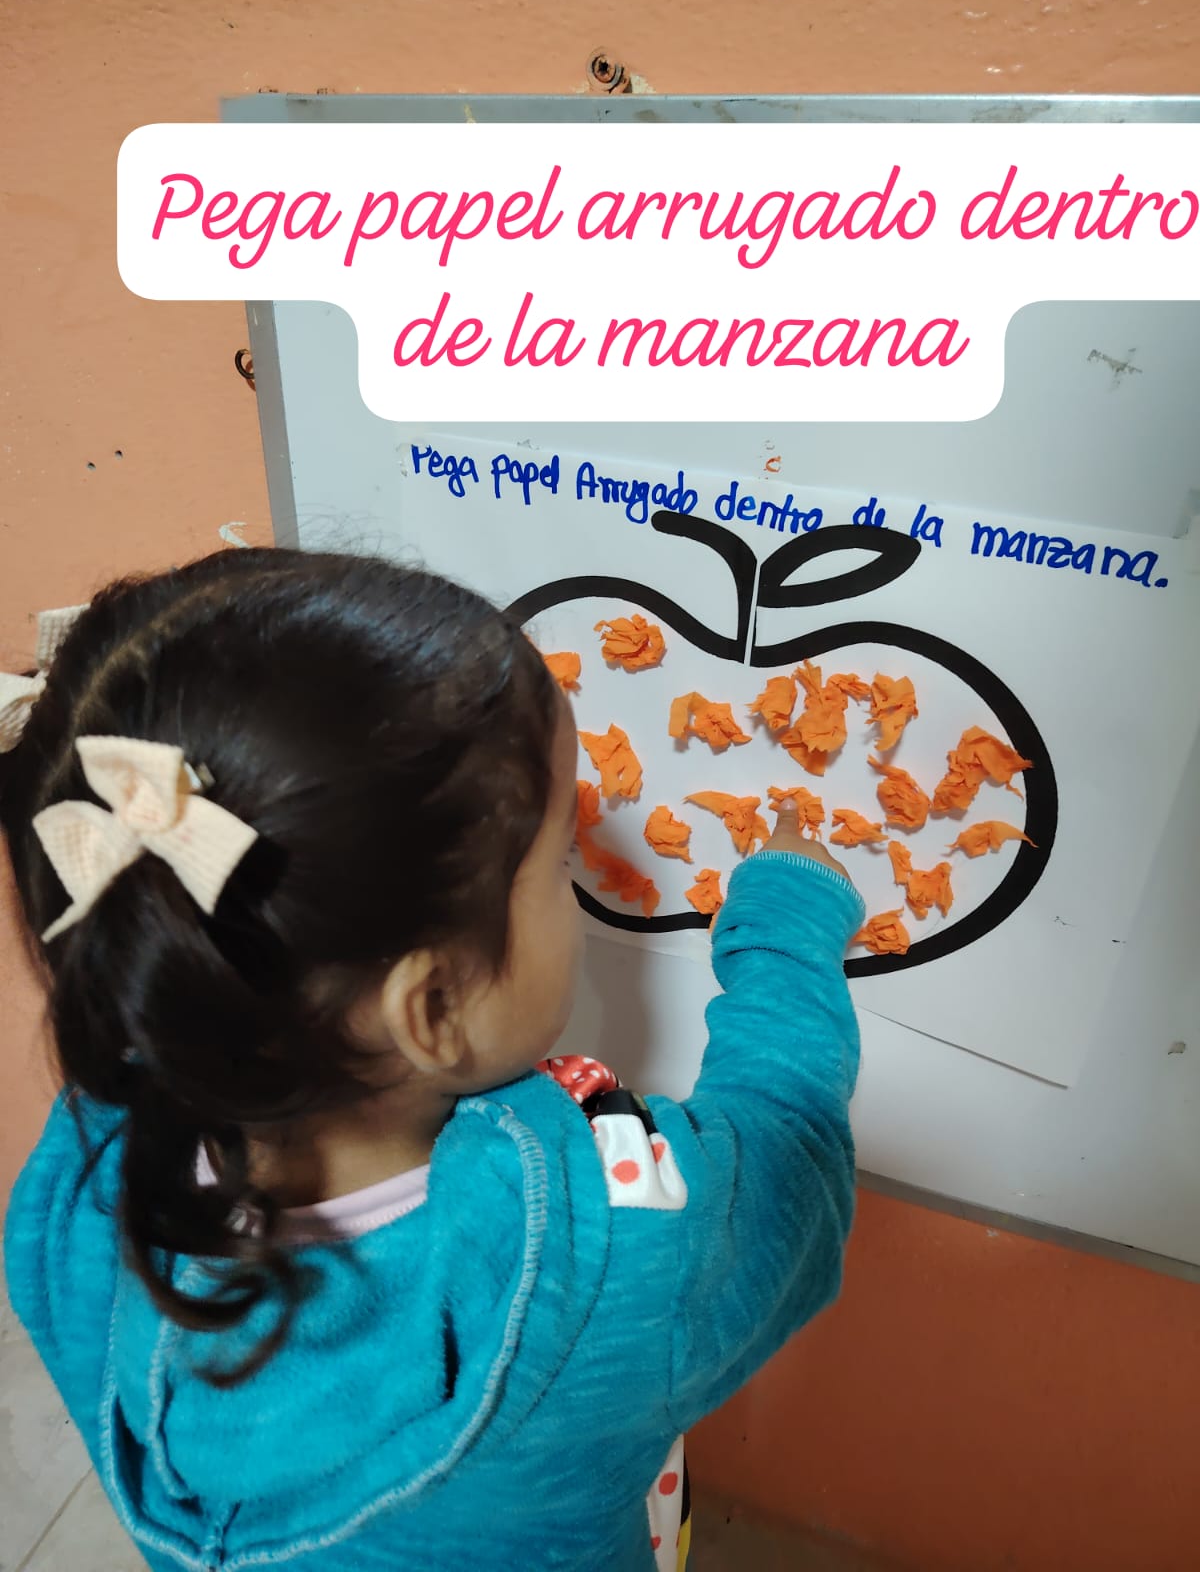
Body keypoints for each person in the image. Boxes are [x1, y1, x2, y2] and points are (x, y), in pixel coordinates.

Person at [1, 547, 864, 1572]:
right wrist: (791, 917)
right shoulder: (609, 1261)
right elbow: (791, 1153)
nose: (580, 864)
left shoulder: (75, 1190)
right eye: (559, 860)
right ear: (435, 1007)